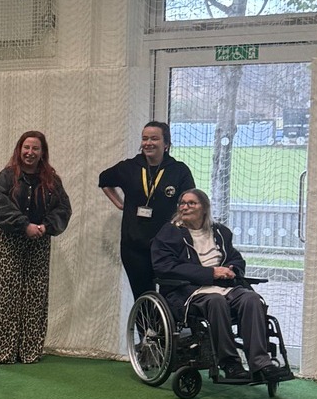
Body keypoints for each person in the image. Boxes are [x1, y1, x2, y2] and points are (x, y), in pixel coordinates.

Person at [151, 189, 282, 384]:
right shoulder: (169, 233)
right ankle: (230, 363)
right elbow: (165, 267)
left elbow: (237, 259)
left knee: (251, 299)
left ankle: (261, 363)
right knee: (216, 302)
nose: (185, 207)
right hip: (188, 291)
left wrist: (232, 269)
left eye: (191, 203)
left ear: (204, 208)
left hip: (224, 287)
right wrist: (211, 273)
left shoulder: (220, 232)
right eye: (182, 203)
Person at [0, 130, 72, 365]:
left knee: (35, 295)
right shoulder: (7, 176)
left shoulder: (52, 180)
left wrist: (45, 226)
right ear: (19, 150)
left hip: (39, 241)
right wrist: (23, 225)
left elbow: (63, 208)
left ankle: (28, 351)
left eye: (35, 148)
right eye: (26, 148)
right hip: (9, 240)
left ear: (43, 152)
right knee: (5, 295)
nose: (30, 153)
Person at [98, 121, 195, 300]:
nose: (148, 143)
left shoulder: (179, 170)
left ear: (166, 144)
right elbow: (103, 180)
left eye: (154, 138)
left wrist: (181, 221)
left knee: (170, 295)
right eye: (145, 138)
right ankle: (146, 329)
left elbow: (190, 202)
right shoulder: (129, 167)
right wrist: (120, 204)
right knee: (144, 297)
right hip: (134, 246)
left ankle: (165, 328)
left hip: (167, 246)